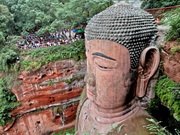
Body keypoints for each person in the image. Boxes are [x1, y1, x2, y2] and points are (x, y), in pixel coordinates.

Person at [76, 3, 160, 135]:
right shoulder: (86, 102)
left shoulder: (145, 130)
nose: (88, 79)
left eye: (102, 65)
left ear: (146, 68)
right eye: (88, 62)